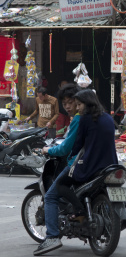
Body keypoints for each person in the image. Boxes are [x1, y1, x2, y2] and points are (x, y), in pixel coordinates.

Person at [54, 90, 118, 226]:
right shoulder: (108, 117)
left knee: (61, 184)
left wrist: (71, 156)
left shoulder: (85, 119)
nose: (77, 108)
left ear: (87, 103)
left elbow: (77, 144)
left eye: (79, 104)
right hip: (110, 163)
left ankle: (79, 211)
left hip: (92, 164)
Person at [33, 84, 80, 256]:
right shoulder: (101, 118)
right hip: (99, 163)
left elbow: (65, 149)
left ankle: (52, 236)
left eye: (71, 102)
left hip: (78, 164)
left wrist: (48, 150)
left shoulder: (78, 119)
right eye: (65, 103)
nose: (67, 106)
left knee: (52, 195)